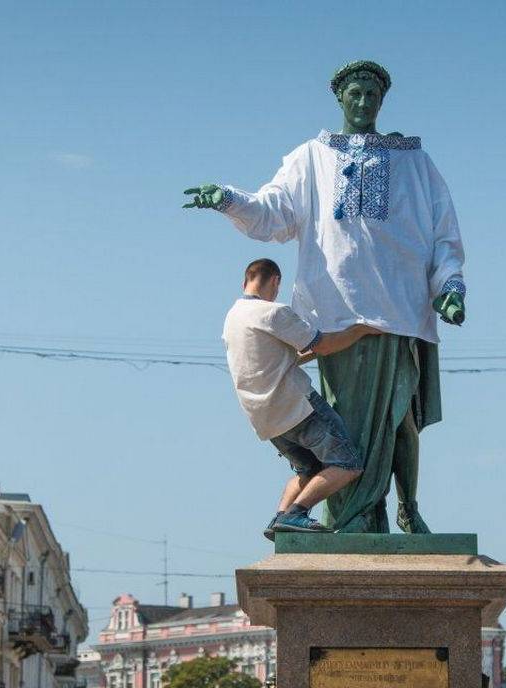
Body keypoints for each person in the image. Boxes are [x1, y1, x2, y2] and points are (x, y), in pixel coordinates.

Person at [186, 60, 468, 535]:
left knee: (402, 418)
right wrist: (229, 199)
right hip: (338, 315)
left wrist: (449, 288)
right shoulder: (313, 156)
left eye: (371, 95)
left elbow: (445, 234)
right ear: (339, 98)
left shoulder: (415, 161)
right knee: (352, 423)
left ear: (383, 100)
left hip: (401, 311)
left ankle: (407, 507)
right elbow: (273, 214)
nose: (362, 103)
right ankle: (355, 518)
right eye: (354, 94)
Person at [223, 258, 380, 538]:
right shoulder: (272, 313)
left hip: (266, 421)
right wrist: (360, 330)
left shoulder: (233, 317)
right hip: (298, 408)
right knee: (347, 464)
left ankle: (280, 517)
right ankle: (296, 513)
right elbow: (324, 343)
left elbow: (286, 358)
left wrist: (315, 350)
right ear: (275, 282)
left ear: (245, 281)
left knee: (310, 468)